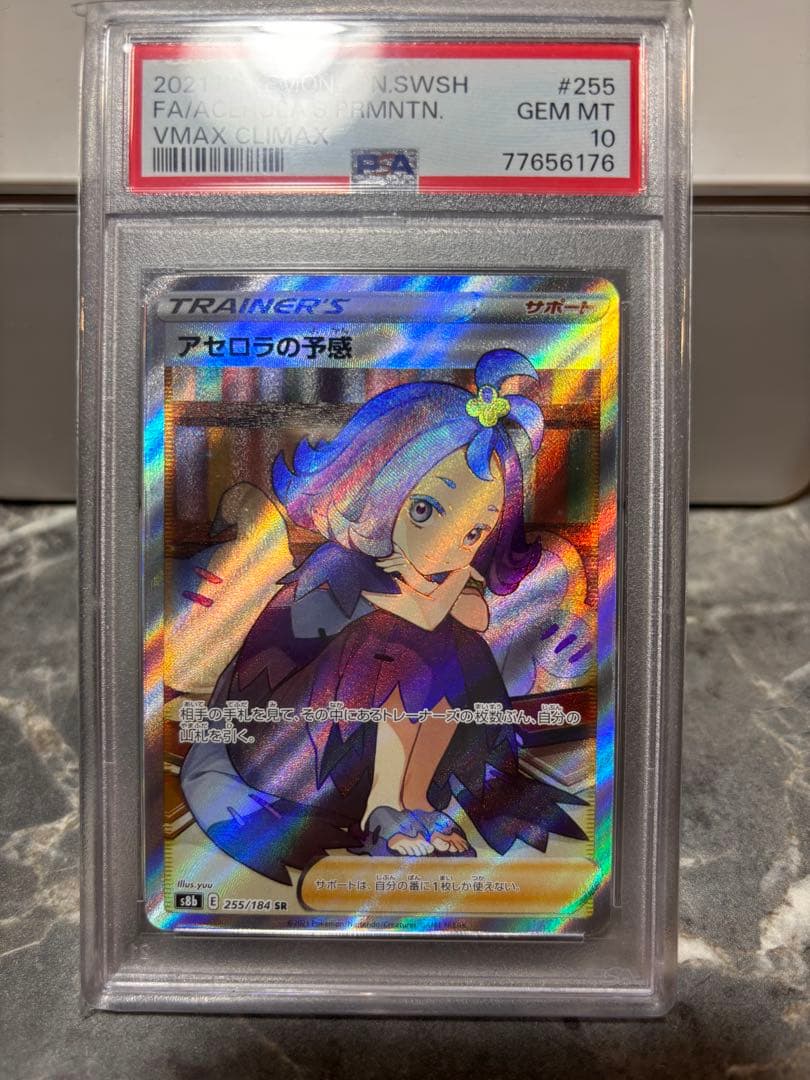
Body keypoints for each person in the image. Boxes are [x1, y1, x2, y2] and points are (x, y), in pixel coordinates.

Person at [180, 348, 588, 884]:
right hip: (287, 750)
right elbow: (309, 652)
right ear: (380, 490)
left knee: (452, 645)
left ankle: (414, 799)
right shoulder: (340, 567)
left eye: (474, 531)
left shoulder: (436, 577)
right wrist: (443, 596)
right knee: (392, 639)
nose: (446, 545)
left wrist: (458, 591)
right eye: (424, 509)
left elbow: (476, 621)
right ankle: (383, 807)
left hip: (355, 754)